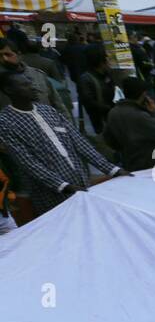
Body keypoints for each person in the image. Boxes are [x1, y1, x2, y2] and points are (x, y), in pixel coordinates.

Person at [0, 70, 123, 217]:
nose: (33, 87)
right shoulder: (6, 122)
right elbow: (28, 163)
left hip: (80, 181)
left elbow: (80, 142)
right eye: (25, 85)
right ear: (9, 90)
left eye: (30, 82)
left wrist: (112, 170)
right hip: (50, 192)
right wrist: (63, 186)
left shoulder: (48, 111)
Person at [103, 77, 155, 172]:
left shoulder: (113, 113)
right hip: (152, 164)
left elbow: (109, 140)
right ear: (144, 94)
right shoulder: (141, 116)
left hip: (130, 163)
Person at [0, 37, 71, 118]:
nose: (4, 59)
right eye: (0, 56)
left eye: (8, 54)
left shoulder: (38, 75)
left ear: (18, 54)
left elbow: (58, 105)